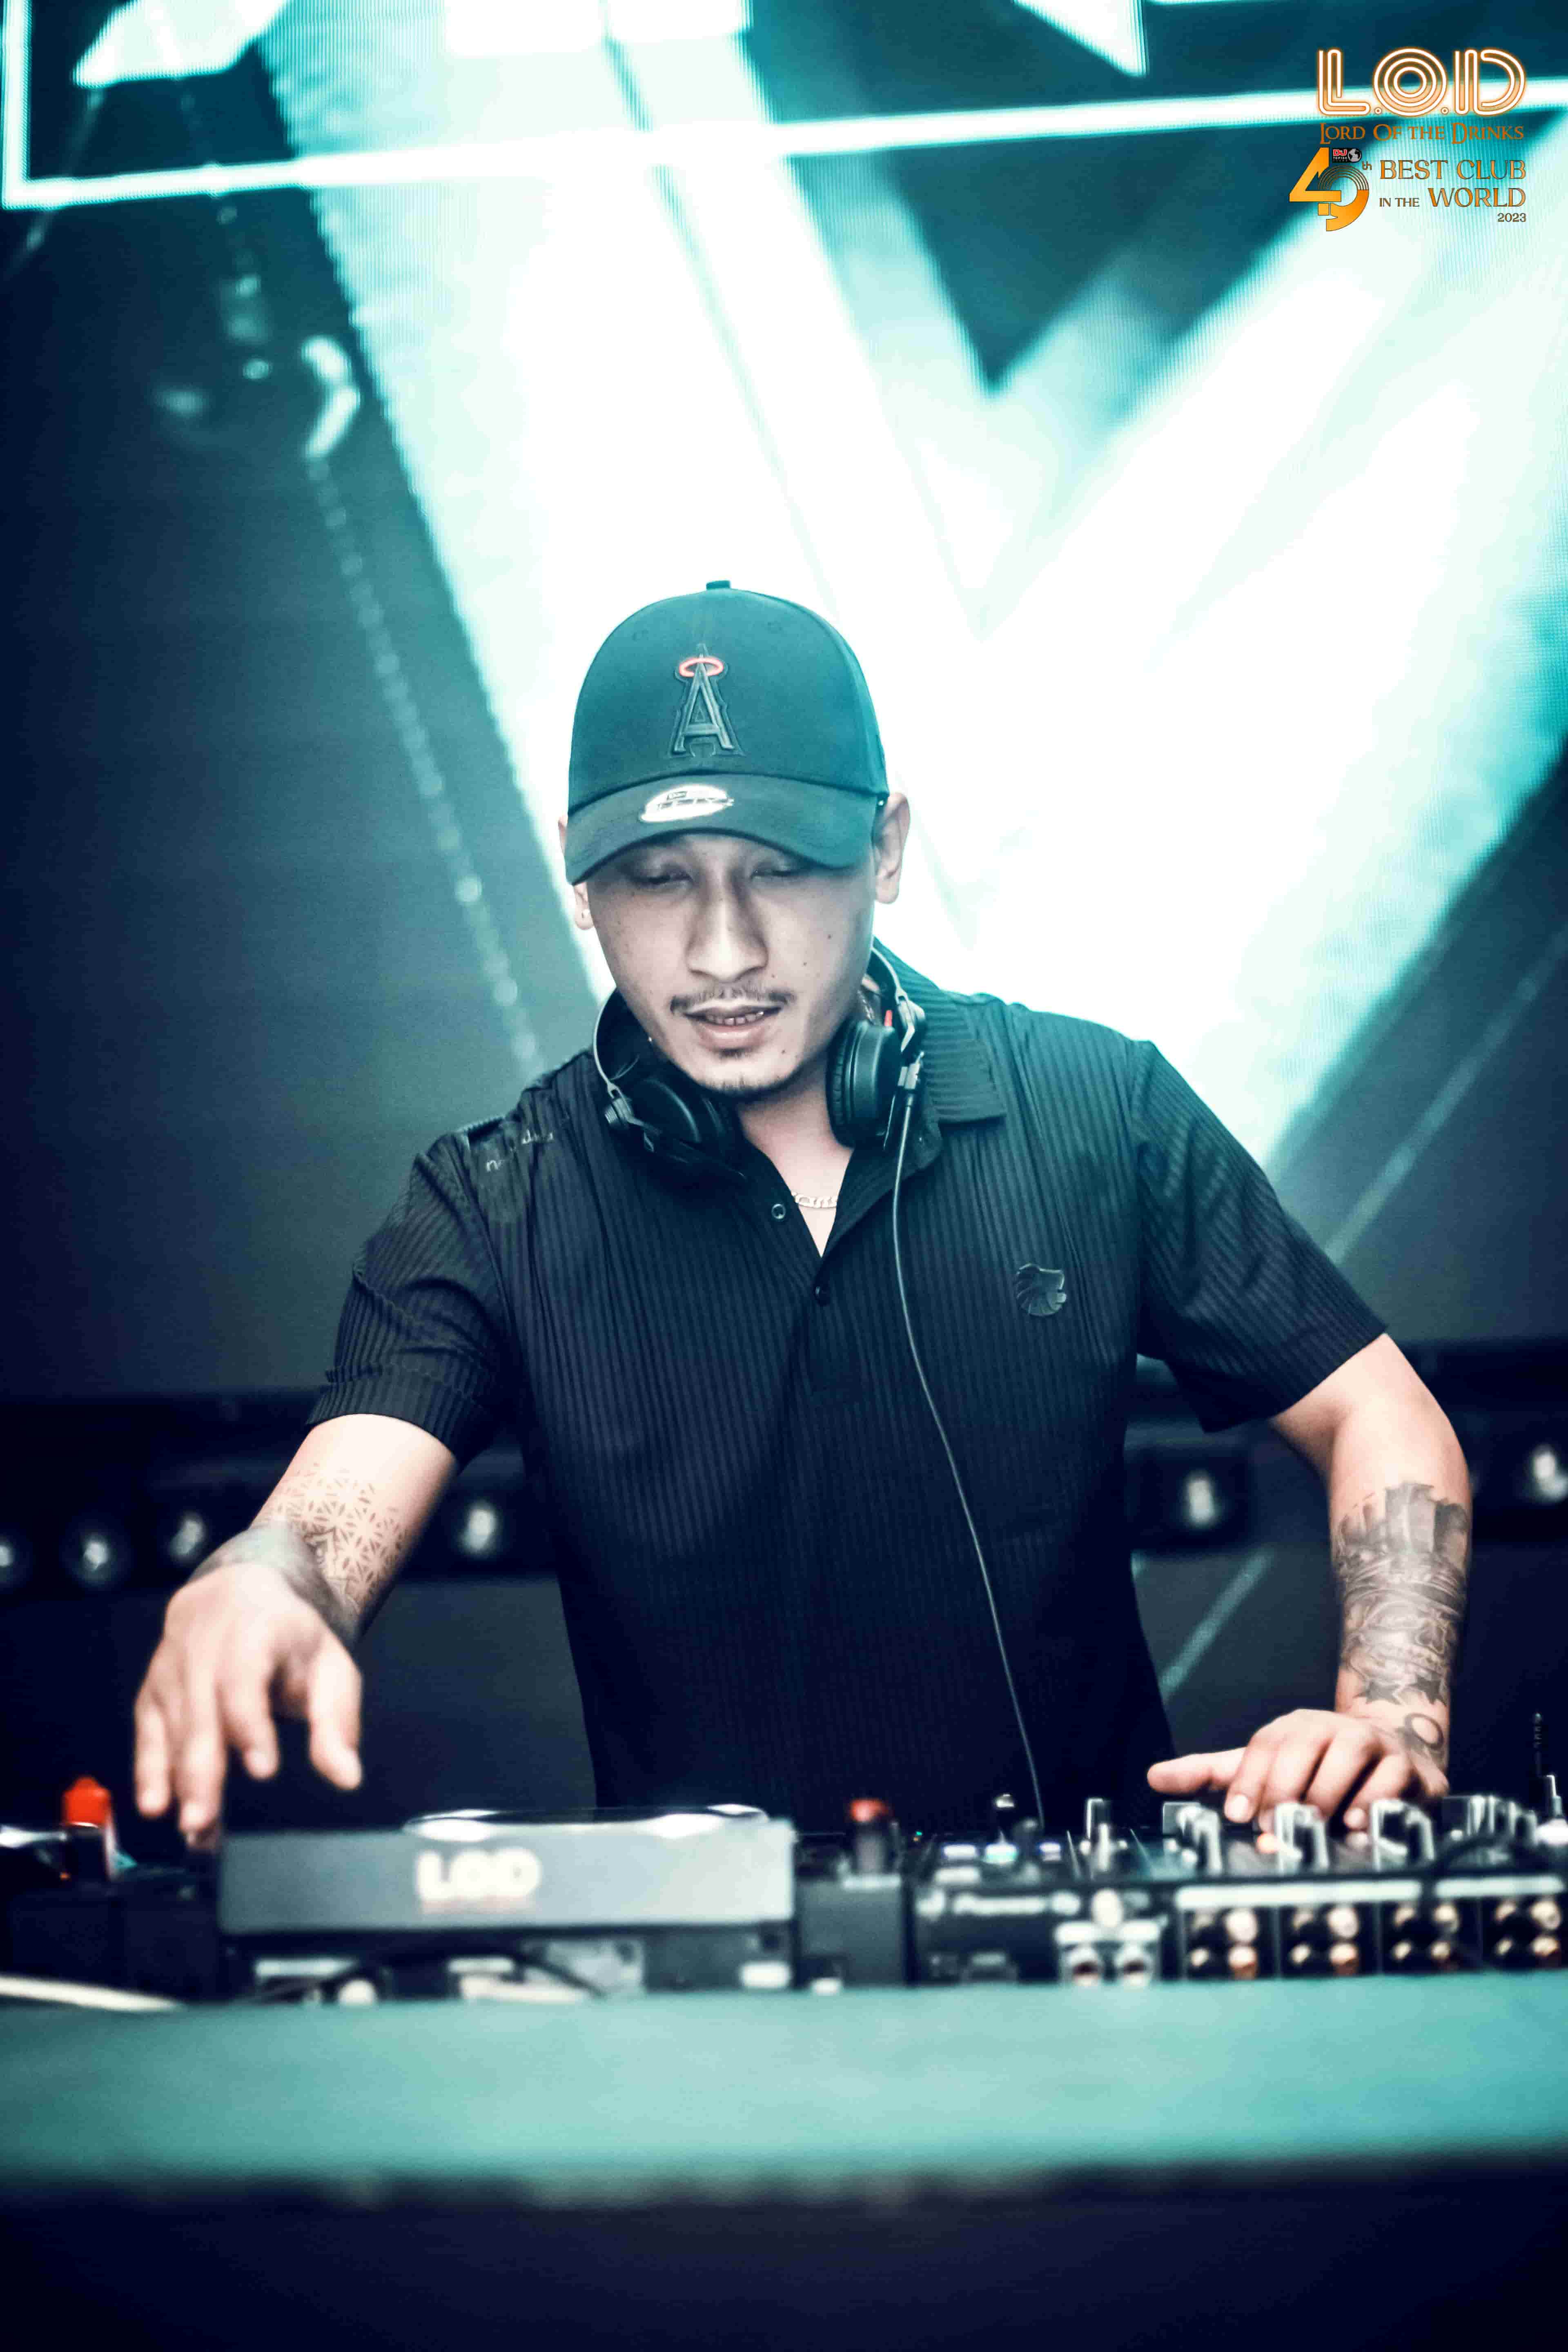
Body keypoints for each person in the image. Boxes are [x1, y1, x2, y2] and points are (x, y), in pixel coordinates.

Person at [134, 584, 1472, 1847]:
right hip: (695, 1986)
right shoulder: (494, 1201)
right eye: (659, 877)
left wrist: (1391, 1722)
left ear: (884, 850)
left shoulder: (1097, 1107)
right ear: (579, 882)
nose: (723, 951)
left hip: (1087, 1975)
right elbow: (327, 1521)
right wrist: (260, 1579)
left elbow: (1378, 1410)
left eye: (776, 868)